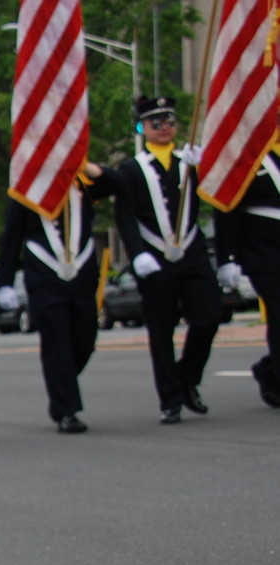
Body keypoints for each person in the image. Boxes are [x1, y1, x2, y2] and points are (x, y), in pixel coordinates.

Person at [114, 96, 223, 424]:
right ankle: (170, 398)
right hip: (155, 258)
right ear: (143, 128)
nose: (164, 128)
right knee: (161, 331)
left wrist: (206, 165)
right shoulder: (131, 170)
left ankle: (186, 379)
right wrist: (138, 255)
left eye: (170, 122)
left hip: (191, 255)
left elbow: (217, 193)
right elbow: (125, 216)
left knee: (209, 317)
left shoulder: (190, 161)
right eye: (156, 123)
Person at [0, 161, 119, 433]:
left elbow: (116, 184)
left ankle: (60, 380)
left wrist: (86, 165)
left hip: (81, 276)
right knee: (57, 345)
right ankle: (66, 411)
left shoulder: (82, 184)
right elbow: (11, 237)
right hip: (44, 278)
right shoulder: (26, 190)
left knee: (84, 341)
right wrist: (4, 283)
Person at [213, 117, 280, 409]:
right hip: (263, 253)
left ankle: (269, 370)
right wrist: (227, 258)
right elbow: (228, 208)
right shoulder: (247, 159)